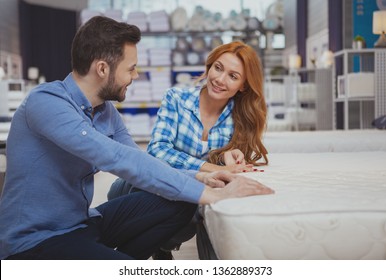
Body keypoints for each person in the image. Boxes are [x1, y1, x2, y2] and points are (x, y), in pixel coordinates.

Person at [0, 16, 273, 260]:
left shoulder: (104, 110)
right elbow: (118, 158)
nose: (136, 75)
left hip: (81, 223)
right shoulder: (46, 103)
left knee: (179, 203)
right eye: (131, 69)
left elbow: (140, 161)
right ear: (103, 69)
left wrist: (201, 178)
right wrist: (211, 196)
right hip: (35, 242)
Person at [108, 41, 269, 259]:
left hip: (182, 196)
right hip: (138, 187)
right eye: (218, 68)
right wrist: (211, 167)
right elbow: (157, 151)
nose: (220, 80)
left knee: (188, 209)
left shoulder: (240, 119)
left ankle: (154, 250)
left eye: (233, 76)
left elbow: (225, 167)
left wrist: (228, 157)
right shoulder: (176, 98)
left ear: (243, 85)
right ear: (210, 67)